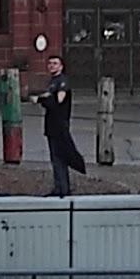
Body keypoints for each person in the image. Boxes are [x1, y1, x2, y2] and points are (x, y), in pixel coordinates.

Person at [35, 55, 86, 198]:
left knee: (60, 156)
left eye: (55, 63)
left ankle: (63, 188)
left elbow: (58, 101)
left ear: (61, 66)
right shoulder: (52, 82)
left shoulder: (62, 81)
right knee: (56, 157)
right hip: (51, 124)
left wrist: (41, 100)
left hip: (59, 124)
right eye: (50, 63)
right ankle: (60, 186)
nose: (52, 66)